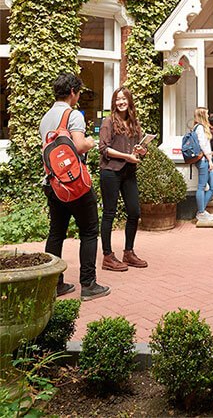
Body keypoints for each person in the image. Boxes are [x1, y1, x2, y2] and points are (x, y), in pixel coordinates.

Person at [39, 73, 110, 301]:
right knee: (89, 231)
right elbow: (79, 146)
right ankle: (88, 284)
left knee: (56, 232)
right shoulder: (73, 115)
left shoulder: (45, 118)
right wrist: (91, 142)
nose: (78, 96)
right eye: (78, 92)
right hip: (75, 184)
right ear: (72, 92)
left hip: (53, 183)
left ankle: (54, 284)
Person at [99, 87, 148, 271]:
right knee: (109, 214)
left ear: (129, 101)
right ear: (114, 102)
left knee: (134, 211)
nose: (121, 102)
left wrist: (142, 150)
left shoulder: (134, 122)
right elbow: (103, 149)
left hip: (128, 172)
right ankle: (107, 256)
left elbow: (138, 148)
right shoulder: (108, 122)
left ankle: (128, 252)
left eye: (124, 99)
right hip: (110, 171)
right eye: (118, 99)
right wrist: (127, 156)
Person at [192, 107, 213, 221]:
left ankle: (201, 210)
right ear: (203, 115)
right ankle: (201, 212)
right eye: (207, 114)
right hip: (204, 161)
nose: (208, 116)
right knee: (202, 187)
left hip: (206, 160)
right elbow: (203, 146)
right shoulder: (200, 128)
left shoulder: (202, 128)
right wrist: (210, 160)